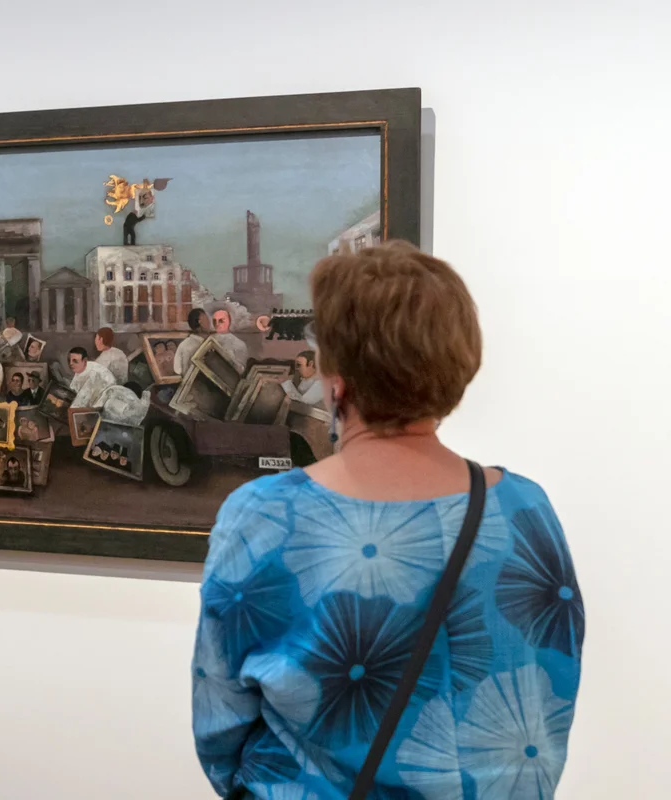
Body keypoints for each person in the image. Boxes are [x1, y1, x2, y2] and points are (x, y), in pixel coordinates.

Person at [192, 242, 583, 799]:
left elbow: (220, 725)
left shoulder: (265, 516)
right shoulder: (526, 509)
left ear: (338, 379)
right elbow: (550, 694)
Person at [174, 308, 209, 375]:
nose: (209, 322)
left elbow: (177, 369)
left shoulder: (183, 344)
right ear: (200, 322)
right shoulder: (207, 344)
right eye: (206, 319)